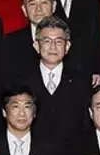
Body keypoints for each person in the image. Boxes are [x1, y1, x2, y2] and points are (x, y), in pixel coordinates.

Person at [26, 16, 90, 144]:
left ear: (67, 46)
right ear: (36, 46)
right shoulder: (21, 80)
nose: (53, 47)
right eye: (47, 41)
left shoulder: (82, 82)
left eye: (59, 41)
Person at [3, 0, 56, 79]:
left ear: (54, 6)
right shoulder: (10, 42)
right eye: (32, 4)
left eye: (44, 3)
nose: (38, 9)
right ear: (24, 10)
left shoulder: (69, 39)